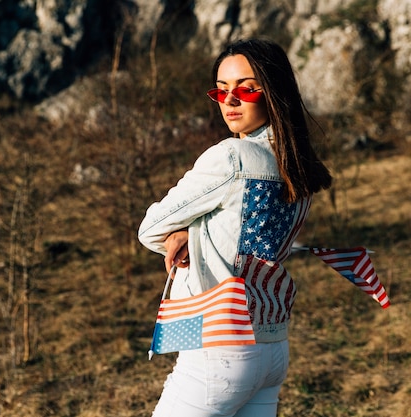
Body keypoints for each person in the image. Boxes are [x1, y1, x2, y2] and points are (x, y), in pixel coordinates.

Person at [138, 38, 333, 417]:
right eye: (221, 90)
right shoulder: (299, 167)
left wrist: (185, 232)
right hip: (272, 344)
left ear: (273, 92)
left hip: (221, 346)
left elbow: (150, 229)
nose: (230, 101)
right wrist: (195, 231)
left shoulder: (232, 156)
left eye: (246, 88)